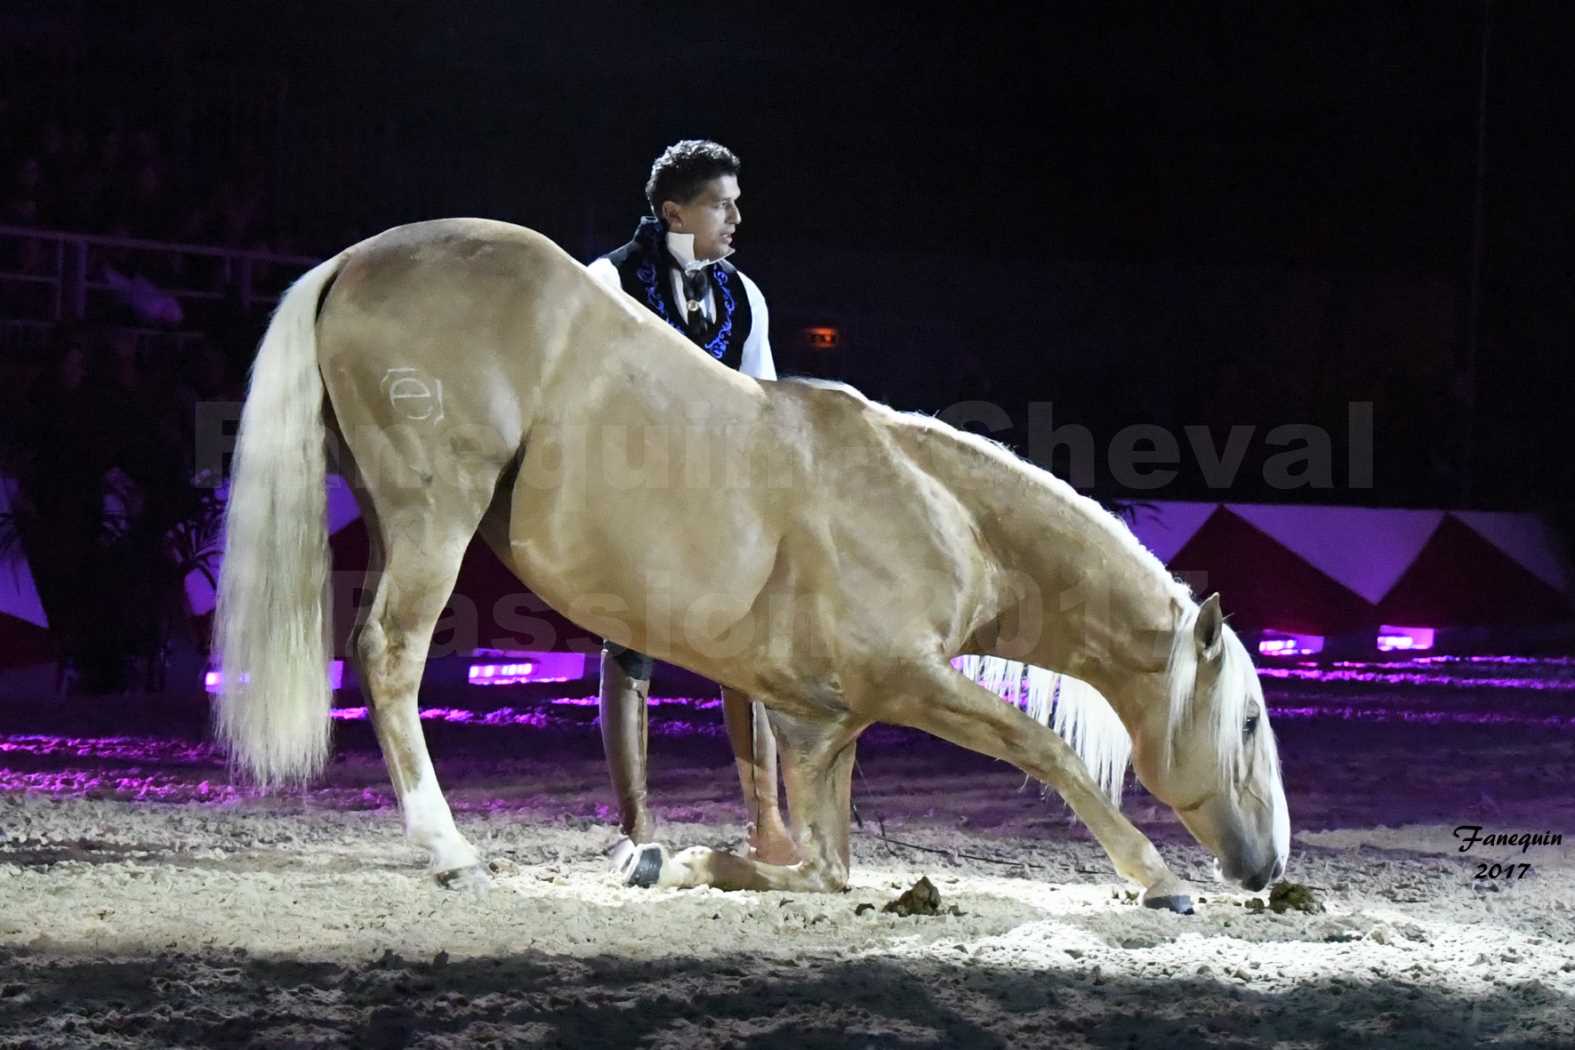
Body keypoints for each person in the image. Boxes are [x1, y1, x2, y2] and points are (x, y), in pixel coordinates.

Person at [585, 139, 794, 869]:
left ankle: (767, 824)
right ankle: (635, 829)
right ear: (675, 211)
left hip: (717, 498)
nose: (735, 216)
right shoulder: (607, 279)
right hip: (634, 492)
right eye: (719, 204)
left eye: (735, 202)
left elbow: (761, 404)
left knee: (747, 652)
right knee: (629, 643)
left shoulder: (744, 292)